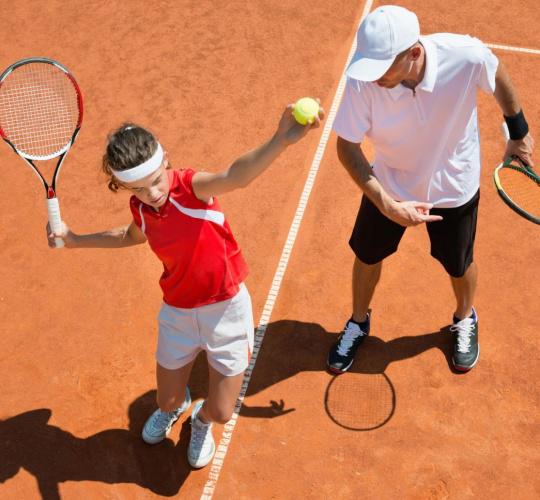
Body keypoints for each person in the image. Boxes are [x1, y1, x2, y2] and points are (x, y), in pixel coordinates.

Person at [48, 102, 323, 468]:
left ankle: (201, 420)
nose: (153, 193)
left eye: (156, 181)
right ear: (122, 186)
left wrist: (280, 141)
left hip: (226, 309)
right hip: (178, 313)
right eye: (139, 188)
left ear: (166, 162)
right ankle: (176, 406)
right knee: (165, 401)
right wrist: (75, 238)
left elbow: (237, 175)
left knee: (223, 411)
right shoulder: (141, 208)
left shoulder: (193, 187)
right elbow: (130, 236)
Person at [327, 5, 534, 374]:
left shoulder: (464, 56)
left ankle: (465, 317)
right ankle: (359, 321)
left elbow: (495, 71)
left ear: (414, 54)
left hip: (454, 184)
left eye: (382, 68)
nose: (373, 77)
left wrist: (518, 131)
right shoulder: (365, 80)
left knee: (458, 263)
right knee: (367, 256)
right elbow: (347, 147)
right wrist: (386, 203)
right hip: (390, 182)